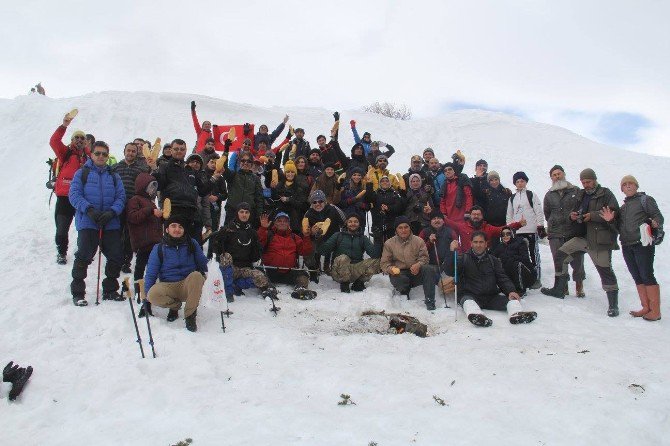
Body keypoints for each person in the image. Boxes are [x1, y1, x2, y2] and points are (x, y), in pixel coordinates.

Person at [541, 168, 621, 317]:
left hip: (598, 238)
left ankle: (613, 304)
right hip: (581, 236)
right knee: (560, 255)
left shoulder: (605, 193)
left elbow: (613, 212)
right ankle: (559, 289)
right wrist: (574, 216)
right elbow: (576, 211)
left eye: (588, 181)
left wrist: (592, 216)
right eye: (583, 182)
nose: (586, 184)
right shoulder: (581, 194)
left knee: (604, 269)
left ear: (595, 180)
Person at [68, 141, 126, 306]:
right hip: (88, 221)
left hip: (110, 222)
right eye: (98, 153)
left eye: (104, 154)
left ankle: (110, 290)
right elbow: (74, 195)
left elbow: (121, 197)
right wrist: (89, 209)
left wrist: (112, 212)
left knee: (115, 256)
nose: (101, 156)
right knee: (84, 256)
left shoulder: (114, 176)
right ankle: (78, 292)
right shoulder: (82, 173)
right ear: (91, 155)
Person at [600, 175, 663, 321]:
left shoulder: (645, 200)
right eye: (625, 184)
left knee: (647, 275)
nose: (628, 186)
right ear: (622, 189)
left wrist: (655, 222)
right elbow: (618, 229)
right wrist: (610, 221)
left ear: (636, 186)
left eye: (631, 184)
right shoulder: (623, 208)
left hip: (643, 244)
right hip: (627, 245)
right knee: (637, 276)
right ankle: (646, 307)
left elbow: (658, 216)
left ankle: (655, 311)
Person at [442, 231, 537, 327]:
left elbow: (502, 278)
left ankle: (516, 314)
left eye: (481, 242)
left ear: (486, 244)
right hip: (470, 295)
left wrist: (511, 291)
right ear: (471, 243)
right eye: (475, 242)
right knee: (468, 302)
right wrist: (451, 252)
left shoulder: (493, 260)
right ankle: (477, 316)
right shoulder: (463, 258)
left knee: (512, 301)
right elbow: (449, 270)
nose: (478, 245)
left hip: (490, 297)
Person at [144, 215, 208, 332]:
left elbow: (203, 264)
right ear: (167, 229)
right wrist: (146, 302)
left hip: (187, 285)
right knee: (151, 294)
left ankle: (190, 315)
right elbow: (150, 274)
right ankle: (175, 306)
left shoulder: (192, 244)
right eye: (173, 226)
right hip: (168, 286)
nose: (177, 229)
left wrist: (216, 264)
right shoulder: (159, 248)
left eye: (180, 227)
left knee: (197, 276)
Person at [148, 139, 212, 239]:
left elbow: (203, 191)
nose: (179, 151)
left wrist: (215, 177)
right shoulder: (164, 166)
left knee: (193, 245)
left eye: (182, 149)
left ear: (186, 150)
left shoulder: (190, 169)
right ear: (171, 150)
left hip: (192, 210)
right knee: (174, 244)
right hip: (173, 209)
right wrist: (154, 168)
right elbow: (160, 185)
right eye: (176, 149)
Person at [49, 112, 91, 264]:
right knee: (62, 228)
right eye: (76, 137)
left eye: (82, 138)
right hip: (65, 197)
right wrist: (64, 126)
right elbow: (54, 141)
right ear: (72, 140)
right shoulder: (65, 153)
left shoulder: (88, 157)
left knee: (84, 228)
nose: (79, 140)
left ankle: (84, 252)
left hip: (81, 198)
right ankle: (61, 252)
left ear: (86, 142)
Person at [212, 203, 277, 301]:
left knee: (260, 277)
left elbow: (255, 257)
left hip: (245, 269)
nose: (244, 215)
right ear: (237, 213)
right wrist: (223, 235)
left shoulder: (252, 232)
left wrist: (257, 248)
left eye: (247, 212)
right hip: (230, 268)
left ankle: (236, 285)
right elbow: (216, 249)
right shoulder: (228, 229)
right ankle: (227, 292)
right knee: (226, 257)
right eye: (241, 212)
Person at [543, 165, 585, 297]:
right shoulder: (549, 195)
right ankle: (563, 287)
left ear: (564, 174)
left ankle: (579, 287)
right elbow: (547, 213)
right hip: (555, 233)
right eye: (554, 175)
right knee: (558, 260)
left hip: (572, 231)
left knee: (577, 260)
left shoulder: (575, 190)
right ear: (551, 178)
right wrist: (553, 222)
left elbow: (582, 207)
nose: (557, 176)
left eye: (559, 174)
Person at [380, 216, 437, 310]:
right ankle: (404, 292)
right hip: (399, 273)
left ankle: (430, 300)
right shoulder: (389, 243)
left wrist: (418, 265)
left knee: (429, 269)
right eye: (400, 228)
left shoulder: (418, 241)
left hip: (416, 272)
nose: (403, 230)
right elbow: (384, 263)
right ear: (396, 230)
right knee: (399, 279)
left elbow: (425, 258)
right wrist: (391, 269)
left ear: (410, 228)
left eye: (406, 227)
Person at [126, 172, 163, 309]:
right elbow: (133, 217)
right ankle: (138, 292)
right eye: (150, 187)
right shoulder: (135, 200)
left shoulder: (151, 202)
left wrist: (162, 216)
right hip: (142, 241)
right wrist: (150, 211)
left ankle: (151, 291)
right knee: (140, 268)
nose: (152, 190)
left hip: (154, 242)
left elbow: (155, 221)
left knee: (153, 268)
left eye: (154, 187)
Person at [258, 212, 316, 300]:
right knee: (259, 273)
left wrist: (307, 237)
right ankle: (267, 289)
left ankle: (301, 289)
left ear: (289, 224)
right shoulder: (269, 234)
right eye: (279, 221)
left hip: (289, 272)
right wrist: (263, 228)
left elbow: (305, 251)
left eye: (285, 221)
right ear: (275, 223)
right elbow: (259, 244)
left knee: (303, 274)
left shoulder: (294, 237)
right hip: (270, 270)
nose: (282, 223)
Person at [113, 142, 150, 273]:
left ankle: (126, 261)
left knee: (130, 235)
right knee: (116, 233)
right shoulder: (115, 167)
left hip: (132, 206)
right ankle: (115, 260)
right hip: (117, 205)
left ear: (137, 153)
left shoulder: (140, 169)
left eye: (133, 151)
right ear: (124, 151)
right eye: (128, 150)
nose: (130, 153)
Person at [319, 213, 380, 292]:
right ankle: (344, 283)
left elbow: (374, 255)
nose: (353, 224)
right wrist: (319, 238)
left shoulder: (362, 238)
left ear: (359, 224)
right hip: (339, 272)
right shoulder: (338, 235)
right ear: (346, 223)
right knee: (343, 258)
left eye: (356, 222)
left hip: (355, 270)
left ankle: (359, 282)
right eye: (350, 221)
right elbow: (323, 251)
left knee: (376, 261)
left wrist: (377, 239)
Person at [506, 171, 545, 288]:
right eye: (517, 181)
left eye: (522, 181)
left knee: (533, 255)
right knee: (521, 255)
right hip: (517, 231)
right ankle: (524, 276)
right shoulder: (512, 198)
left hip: (531, 229)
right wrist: (509, 228)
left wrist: (540, 226)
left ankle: (536, 278)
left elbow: (538, 211)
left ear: (526, 182)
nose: (520, 183)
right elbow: (509, 215)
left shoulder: (531, 194)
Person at [443, 205, 525, 252]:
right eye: (473, 214)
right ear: (470, 216)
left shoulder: (488, 228)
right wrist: (436, 214)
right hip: (467, 259)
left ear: (482, 216)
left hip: (485, 258)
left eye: (478, 214)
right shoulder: (462, 226)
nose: (476, 216)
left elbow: (502, 229)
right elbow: (449, 223)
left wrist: (518, 224)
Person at [302, 190, 345, 278]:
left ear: (325, 201)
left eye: (320, 201)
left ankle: (330, 266)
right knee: (312, 244)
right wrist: (311, 232)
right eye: (314, 202)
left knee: (340, 242)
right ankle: (315, 267)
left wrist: (343, 233)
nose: (318, 204)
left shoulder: (333, 208)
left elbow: (345, 221)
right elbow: (304, 232)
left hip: (333, 236)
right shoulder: (308, 214)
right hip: (317, 239)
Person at [222, 148, 264, 227]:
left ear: (252, 164)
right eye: (243, 160)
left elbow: (259, 199)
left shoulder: (256, 179)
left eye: (248, 161)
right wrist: (226, 150)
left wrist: (259, 216)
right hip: (232, 213)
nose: (245, 163)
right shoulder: (233, 175)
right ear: (239, 163)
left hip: (249, 214)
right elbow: (223, 167)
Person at [490, 227, 537, 295]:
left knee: (515, 263)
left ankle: (521, 289)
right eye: (503, 234)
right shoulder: (500, 247)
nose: (505, 236)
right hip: (511, 274)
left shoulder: (520, 243)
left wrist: (509, 257)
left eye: (508, 234)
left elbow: (525, 258)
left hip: (527, 274)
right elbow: (491, 256)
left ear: (512, 234)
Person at [367, 175, 406, 254]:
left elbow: (400, 207)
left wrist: (389, 208)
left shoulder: (395, 193)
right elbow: (368, 198)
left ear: (390, 183)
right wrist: (369, 184)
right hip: (378, 225)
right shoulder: (375, 193)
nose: (385, 182)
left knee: (393, 249)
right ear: (379, 184)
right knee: (378, 250)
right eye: (382, 181)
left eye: (387, 181)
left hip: (392, 225)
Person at [268, 159, 309, 234]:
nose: (290, 174)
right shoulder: (279, 184)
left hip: (293, 218)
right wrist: (273, 189)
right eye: (288, 172)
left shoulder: (299, 187)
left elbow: (302, 204)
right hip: (279, 215)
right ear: (285, 173)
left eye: (292, 172)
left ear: (295, 173)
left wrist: (289, 199)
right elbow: (274, 198)